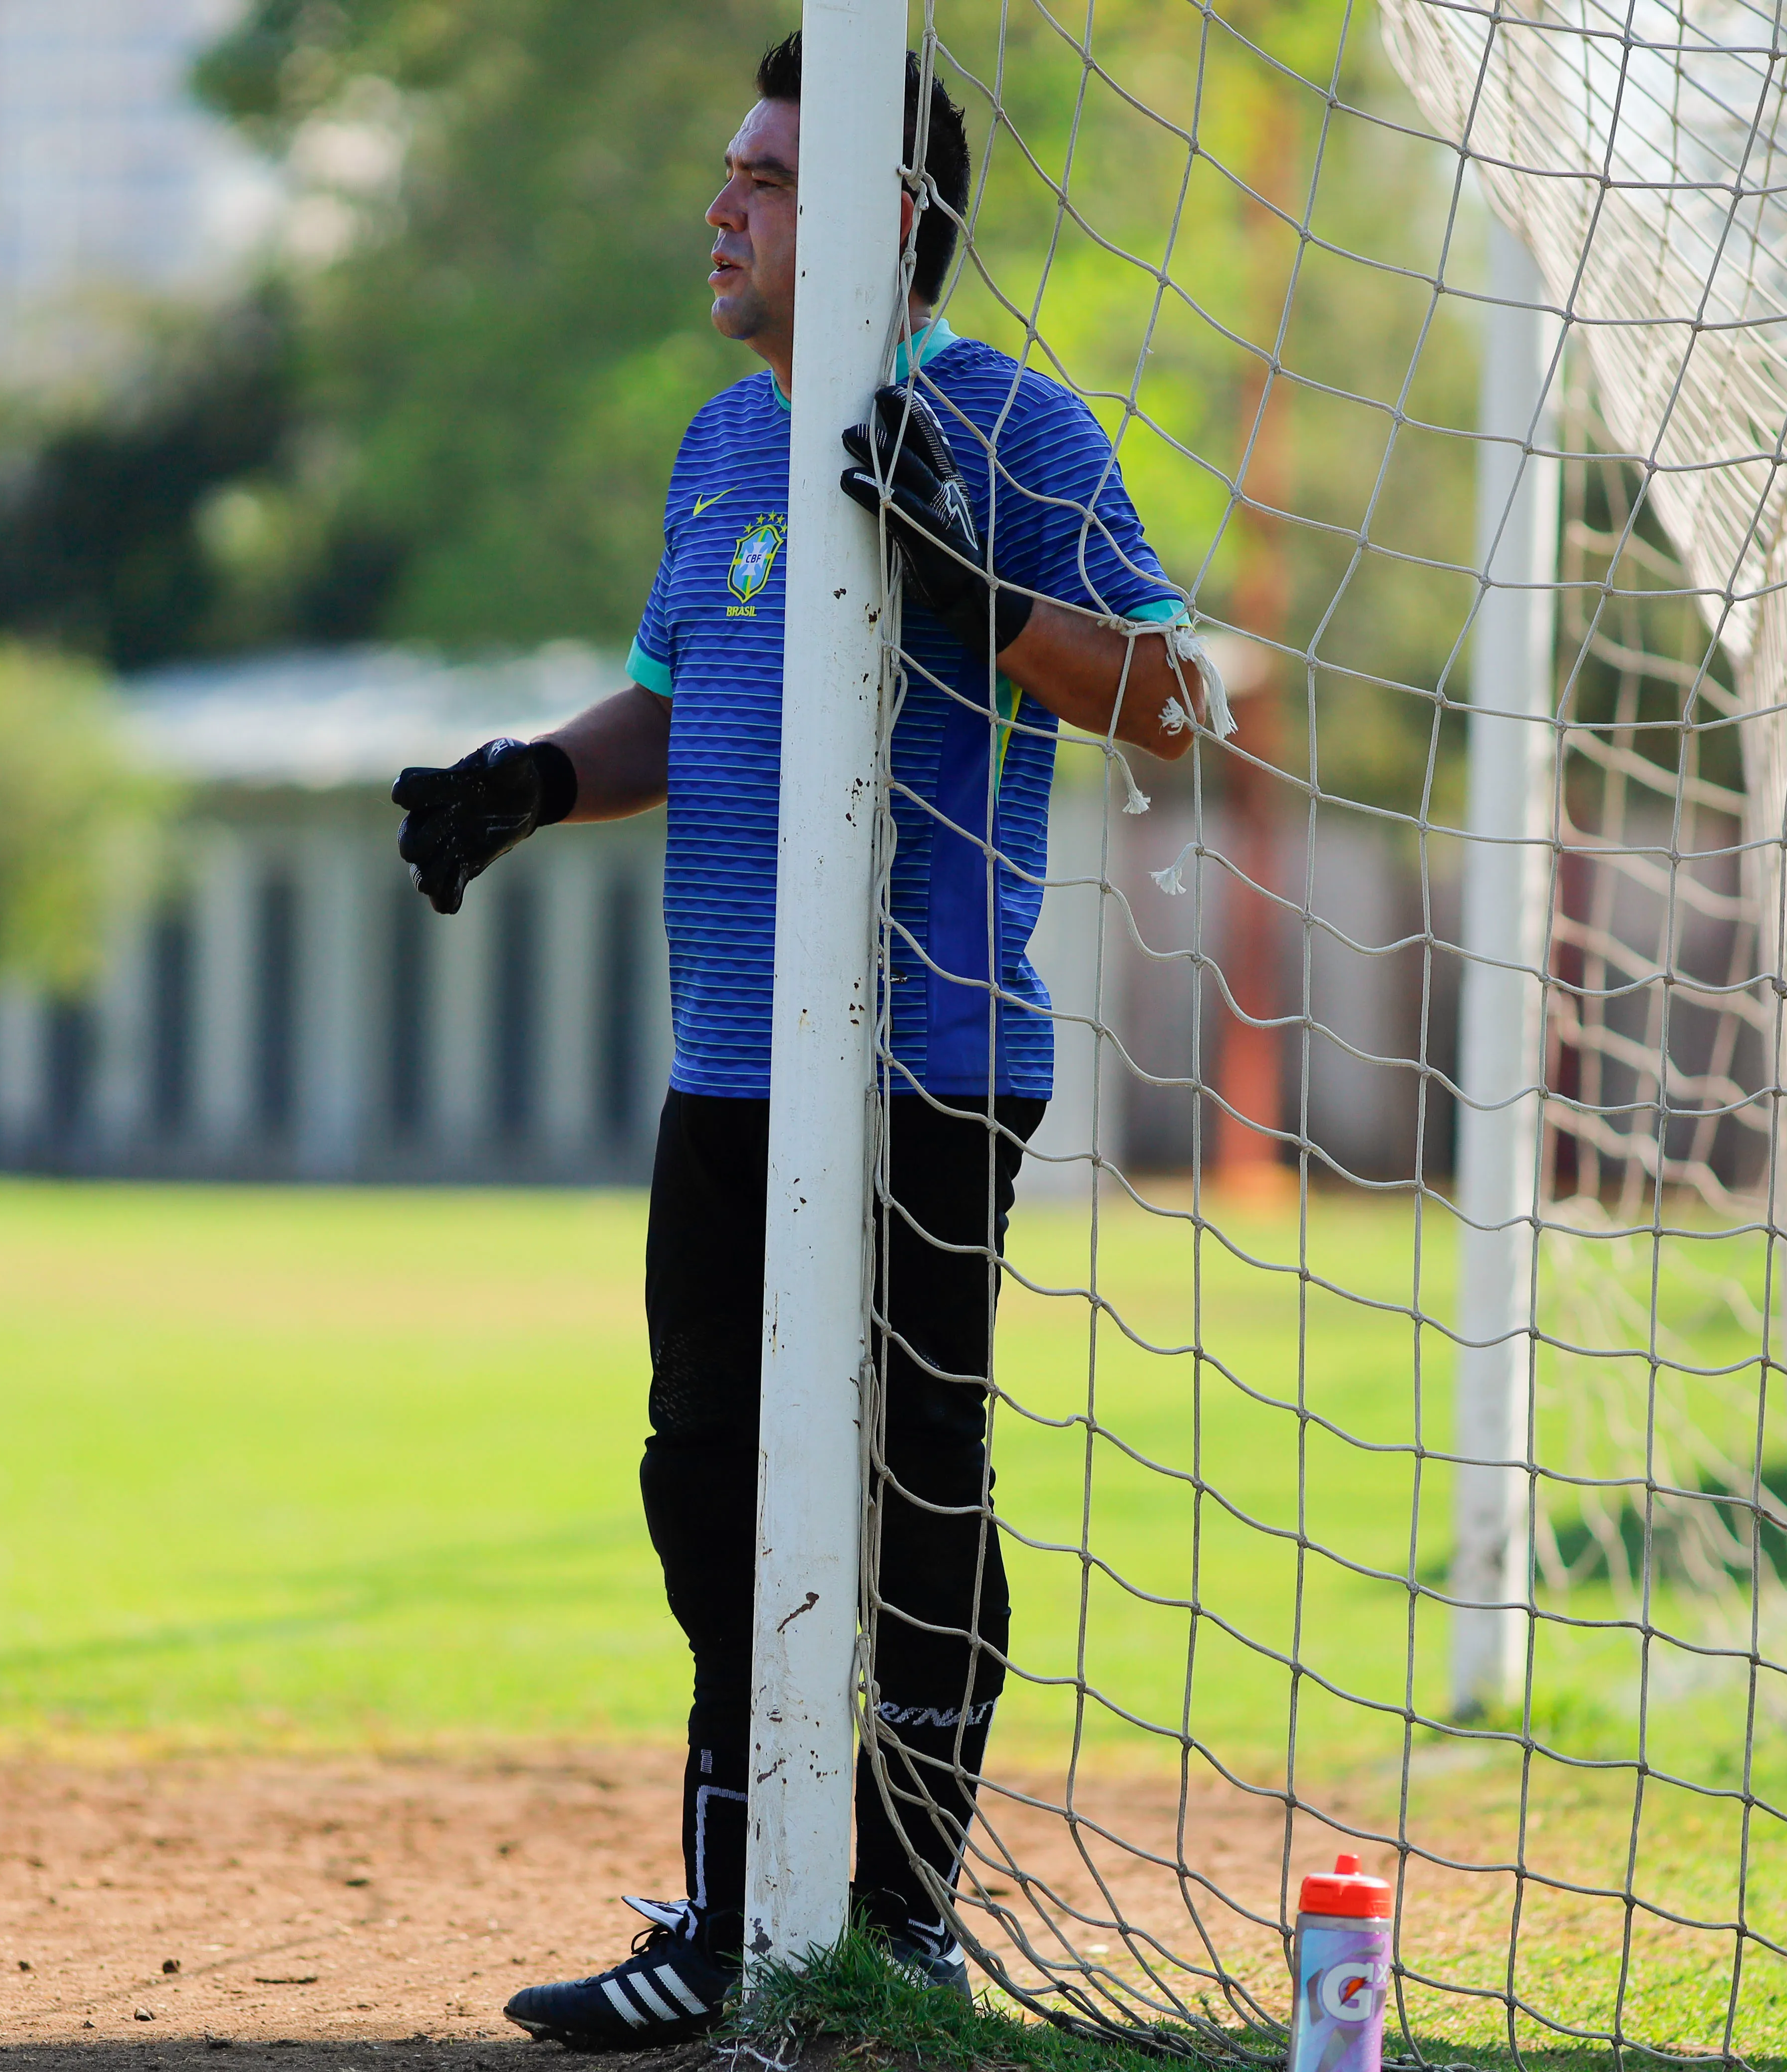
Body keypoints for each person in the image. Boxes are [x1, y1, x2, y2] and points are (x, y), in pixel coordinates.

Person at [391, 31, 1207, 2049]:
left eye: (764, 176)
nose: (721, 207)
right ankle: (734, 1901)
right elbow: (670, 706)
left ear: (882, 218)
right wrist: (521, 779)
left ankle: (905, 1916)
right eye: (731, 171)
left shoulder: (1016, 425)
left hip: (932, 1058)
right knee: (705, 1479)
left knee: (919, 1471)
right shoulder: (719, 443)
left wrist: (968, 561)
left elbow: (1179, 699)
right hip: (733, 1065)